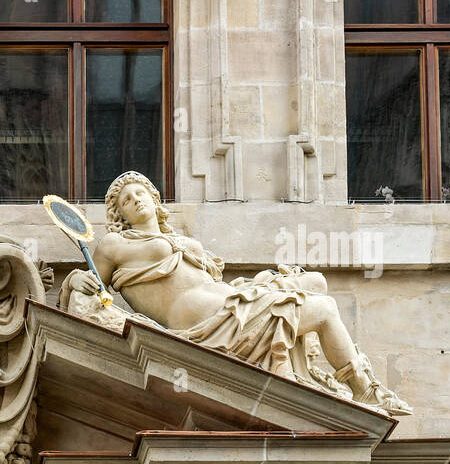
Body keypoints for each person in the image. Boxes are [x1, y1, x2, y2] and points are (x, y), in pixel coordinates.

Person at [63, 171, 411, 415]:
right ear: (119, 214)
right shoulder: (114, 244)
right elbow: (89, 281)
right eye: (126, 200)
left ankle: (352, 383)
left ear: (155, 200)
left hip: (227, 296)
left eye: (140, 193)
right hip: (203, 316)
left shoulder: (182, 241)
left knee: (316, 283)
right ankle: (363, 388)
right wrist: (75, 281)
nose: (135, 200)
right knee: (324, 309)